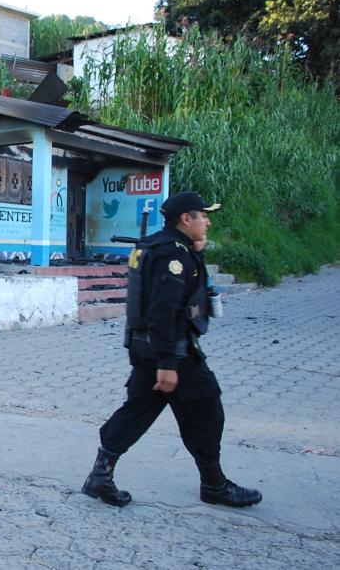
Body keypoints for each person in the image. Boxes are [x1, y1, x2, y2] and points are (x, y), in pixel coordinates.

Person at [82, 191, 262, 508]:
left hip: (146, 347)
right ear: (185, 219)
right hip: (172, 352)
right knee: (207, 408)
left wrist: (198, 252)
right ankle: (214, 485)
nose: (207, 221)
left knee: (139, 408)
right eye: (202, 215)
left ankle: (100, 475)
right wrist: (168, 363)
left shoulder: (159, 245)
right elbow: (164, 310)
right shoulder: (173, 255)